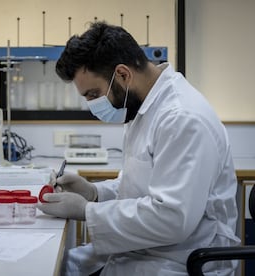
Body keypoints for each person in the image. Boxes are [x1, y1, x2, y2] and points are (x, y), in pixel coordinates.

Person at [37, 22, 240, 275]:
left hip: (180, 262)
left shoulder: (181, 118)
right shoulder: (143, 108)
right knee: (61, 267)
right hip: (148, 251)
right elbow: (142, 186)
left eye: (93, 94)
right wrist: (94, 192)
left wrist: (87, 212)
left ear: (122, 75)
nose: (91, 104)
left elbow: (171, 218)